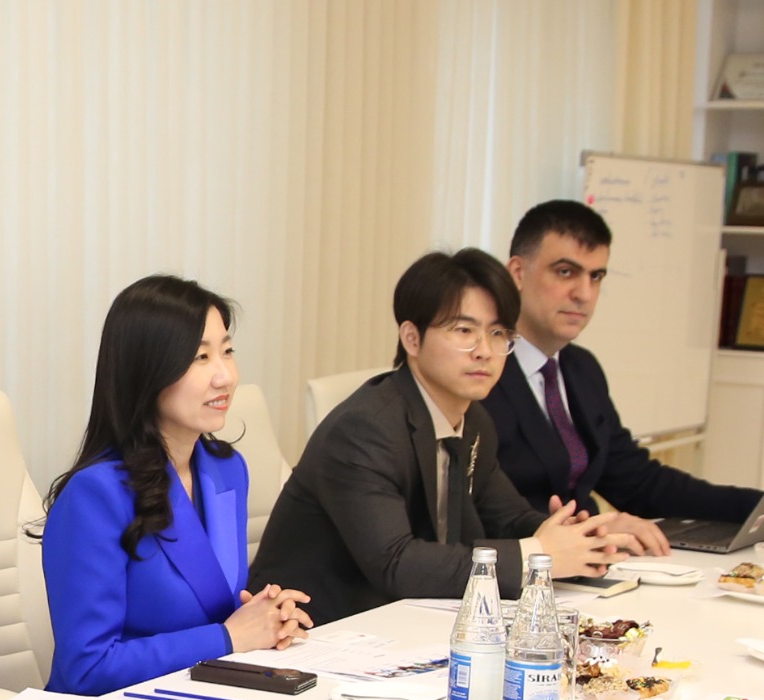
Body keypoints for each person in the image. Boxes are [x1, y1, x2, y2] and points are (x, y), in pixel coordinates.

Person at [249, 249, 631, 627]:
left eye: (498, 333)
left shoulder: (473, 419)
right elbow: (396, 562)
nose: (485, 351)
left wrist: (578, 538)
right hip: (312, 632)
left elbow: (507, 518)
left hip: (406, 623)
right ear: (412, 339)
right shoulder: (364, 430)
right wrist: (538, 553)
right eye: (464, 331)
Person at [40, 275, 312, 697]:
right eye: (200, 357)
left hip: (201, 698)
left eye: (227, 351)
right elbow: (86, 669)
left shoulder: (227, 470)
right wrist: (230, 637)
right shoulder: (95, 495)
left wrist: (265, 617)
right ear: (147, 372)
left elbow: (212, 605)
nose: (225, 376)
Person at [484, 199, 762, 553]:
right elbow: (483, 510)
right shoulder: (481, 372)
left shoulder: (581, 369)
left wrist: (754, 507)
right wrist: (593, 529)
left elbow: (638, 482)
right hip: (519, 570)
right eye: (565, 272)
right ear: (518, 273)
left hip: (593, 567)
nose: (584, 294)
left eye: (595, 276)